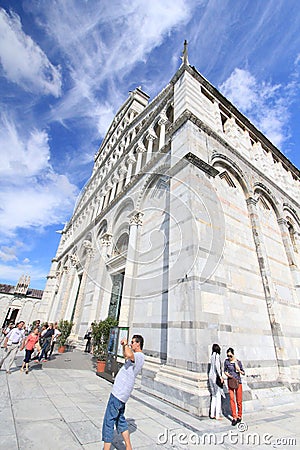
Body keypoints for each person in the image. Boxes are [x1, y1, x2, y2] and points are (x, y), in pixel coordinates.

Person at [102, 334, 145, 450]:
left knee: (108, 421)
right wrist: (123, 346)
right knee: (120, 419)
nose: (131, 344)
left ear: (138, 344)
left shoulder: (139, 356)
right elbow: (127, 355)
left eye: (133, 342)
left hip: (118, 393)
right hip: (122, 394)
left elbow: (130, 355)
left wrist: (126, 344)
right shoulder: (136, 356)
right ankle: (128, 447)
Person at [224, 347, 245, 426]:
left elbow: (243, 372)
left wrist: (238, 369)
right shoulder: (226, 362)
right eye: (228, 356)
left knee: (239, 400)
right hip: (230, 381)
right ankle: (234, 417)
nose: (229, 357)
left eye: (230, 356)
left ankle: (239, 415)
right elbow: (225, 370)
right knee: (232, 399)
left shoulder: (238, 362)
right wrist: (226, 374)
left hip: (238, 382)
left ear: (233, 354)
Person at [209, 343, 225, 420]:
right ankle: (217, 415)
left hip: (210, 377)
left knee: (213, 395)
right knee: (218, 396)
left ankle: (212, 414)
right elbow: (217, 366)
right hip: (215, 377)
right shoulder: (217, 356)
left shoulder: (212, 356)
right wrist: (220, 376)